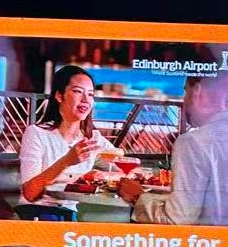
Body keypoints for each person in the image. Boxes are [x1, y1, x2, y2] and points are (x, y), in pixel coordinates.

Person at [17, 65, 138, 207]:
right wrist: (66, 161)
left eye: (91, 94)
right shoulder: (36, 133)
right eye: (78, 91)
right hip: (35, 213)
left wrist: (102, 175)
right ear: (59, 96)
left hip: (70, 214)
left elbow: (131, 171)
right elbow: (30, 193)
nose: (86, 100)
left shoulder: (92, 138)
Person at [133, 73, 228, 227]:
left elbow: (176, 220)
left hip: (206, 241)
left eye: (185, 92)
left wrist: (137, 197)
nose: (183, 100)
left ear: (197, 91)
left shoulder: (193, 142)